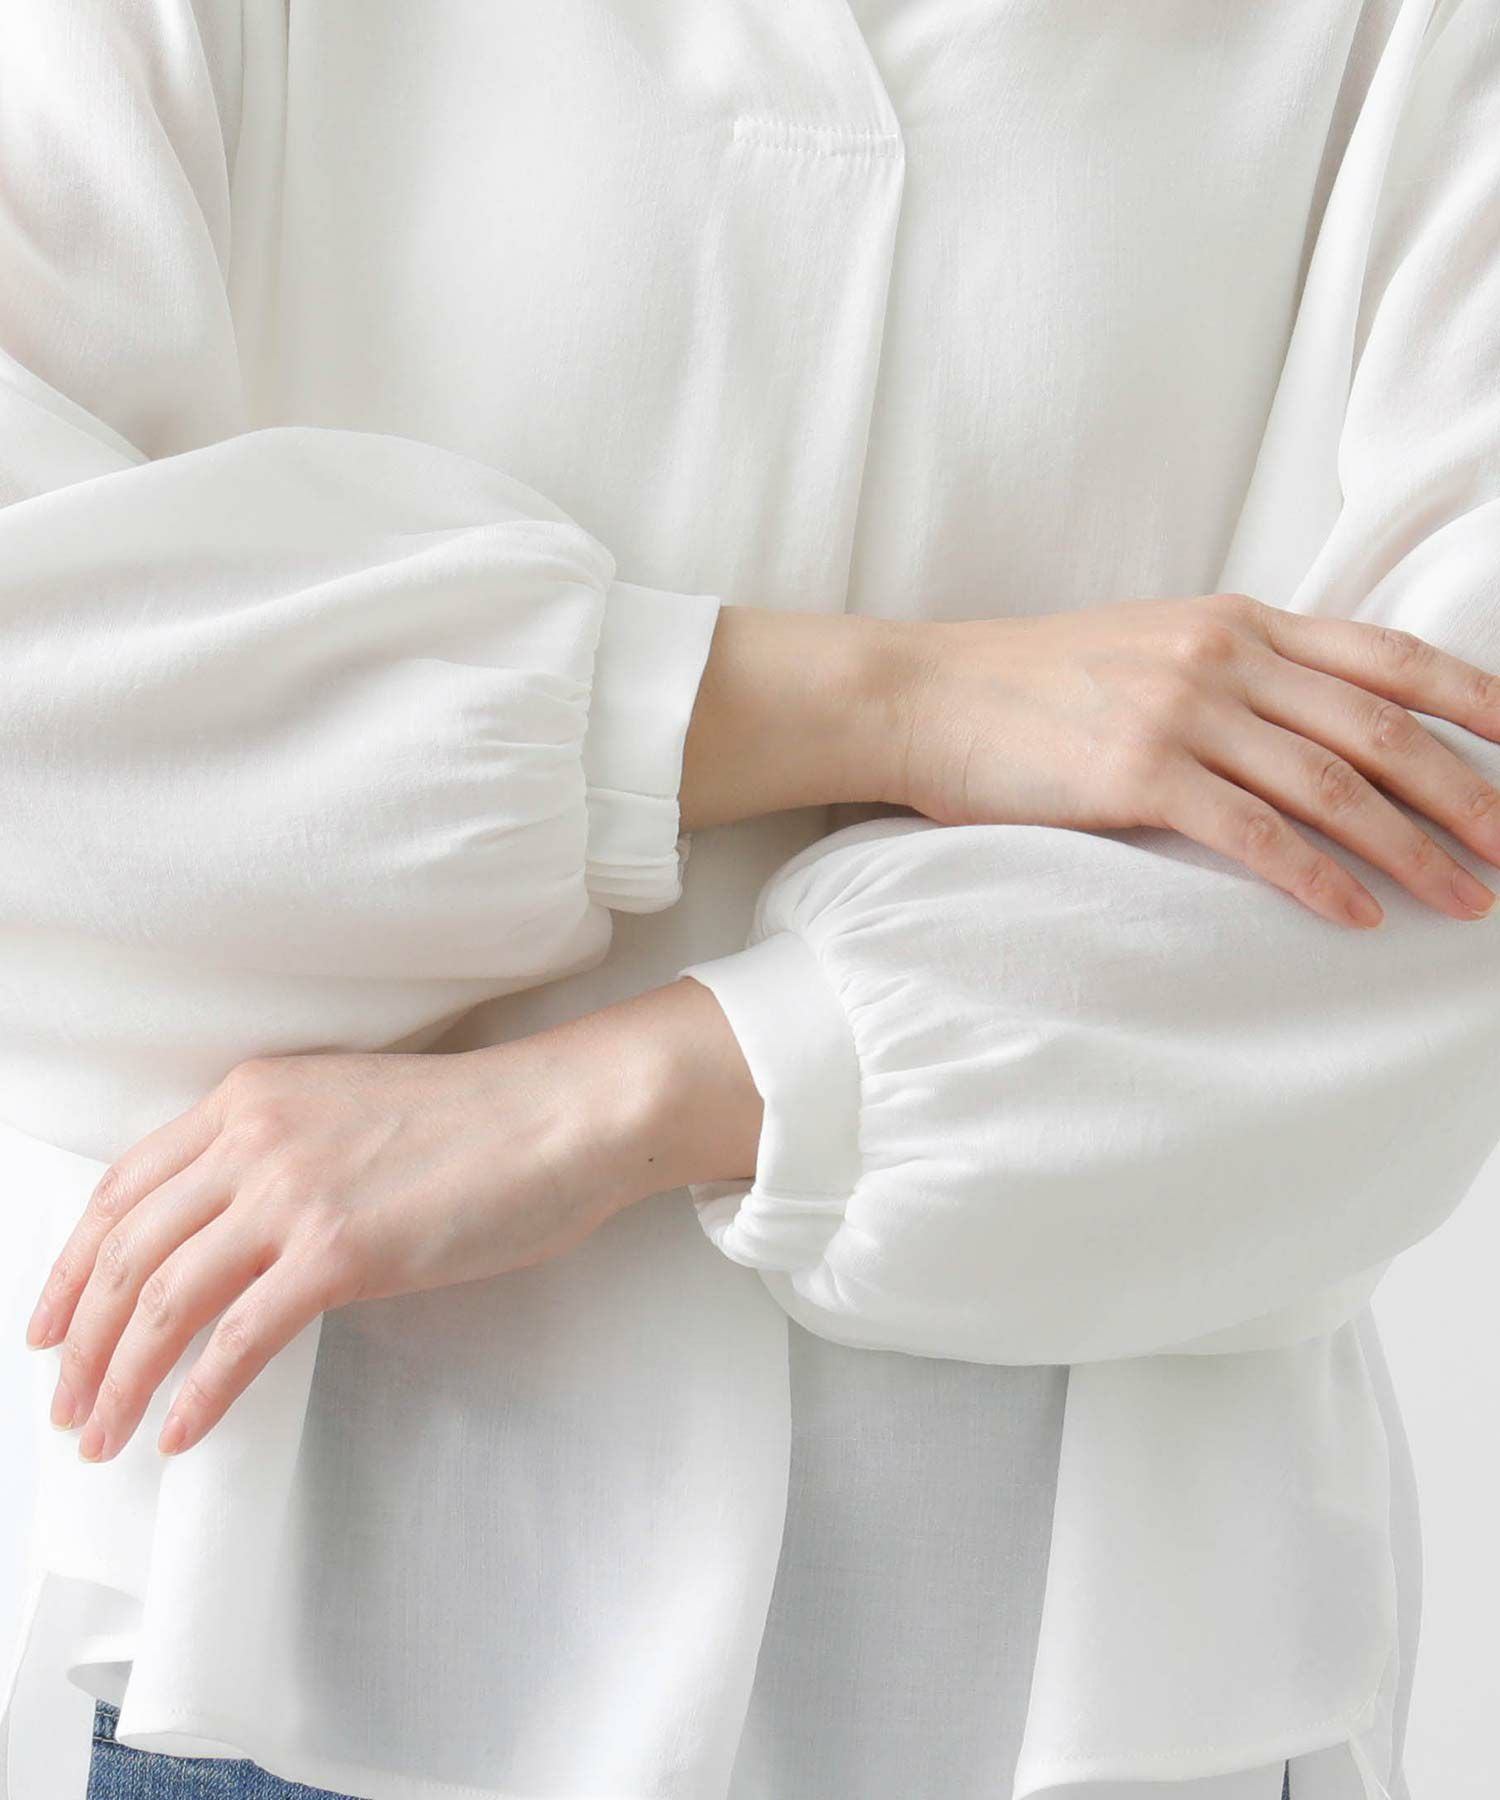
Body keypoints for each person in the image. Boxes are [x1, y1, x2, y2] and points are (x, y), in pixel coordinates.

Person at [2, 0, 1497, 1796]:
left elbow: (1446, 860)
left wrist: (639, 1091)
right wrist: (892, 701)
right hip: (337, 1636)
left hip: (1077, 1681)